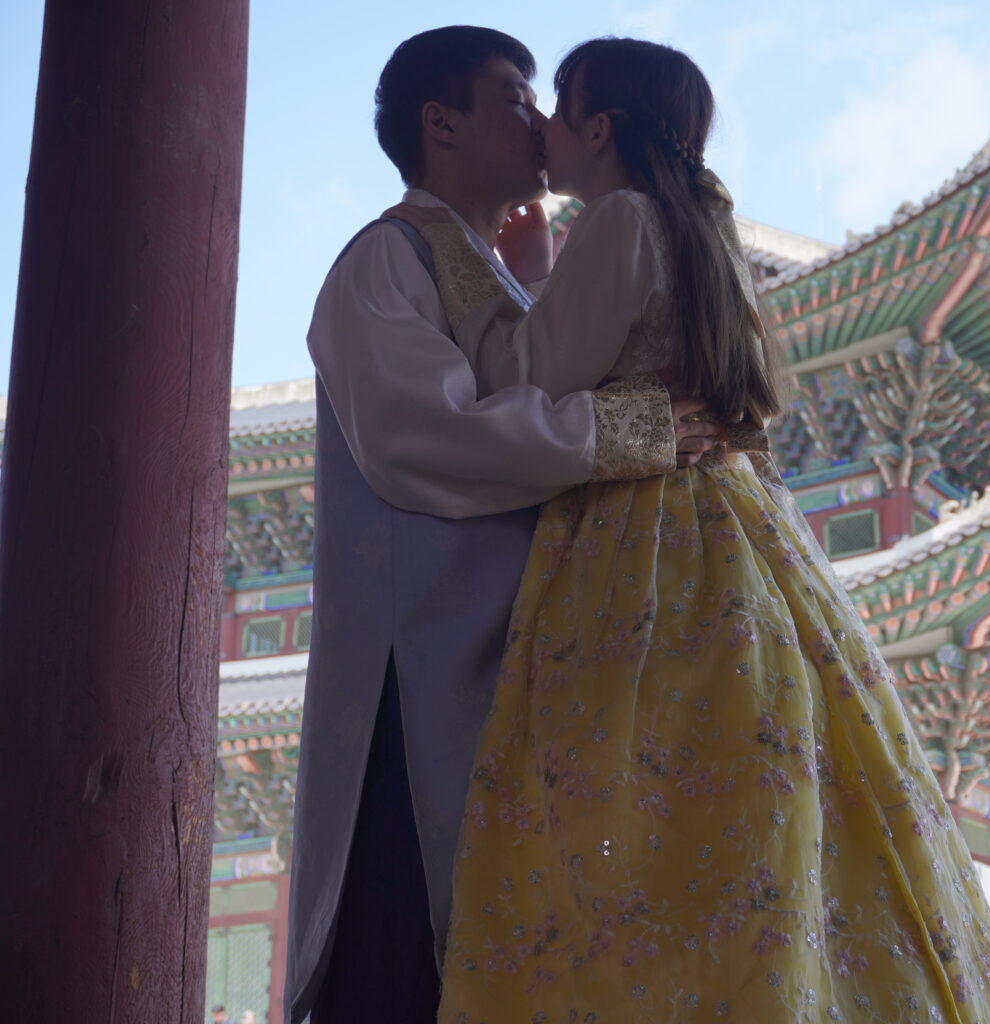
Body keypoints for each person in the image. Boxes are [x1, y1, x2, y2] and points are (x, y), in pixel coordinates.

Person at [432, 36, 990, 1024]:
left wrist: (491, 261)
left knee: (616, 804)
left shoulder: (619, 223)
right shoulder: (698, 232)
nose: (537, 125)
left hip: (638, 538)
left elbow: (525, 378)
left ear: (598, 129)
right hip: (740, 534)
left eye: (554, 106)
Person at [283, 26, 719, 1024]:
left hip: (519, 668)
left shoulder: (503, 273)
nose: (542, 121)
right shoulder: (380, 262)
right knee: (411, 952)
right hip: (419, 677)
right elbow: (419, 435)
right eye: (517, 98)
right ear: (442, 122)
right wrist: (619, 430)